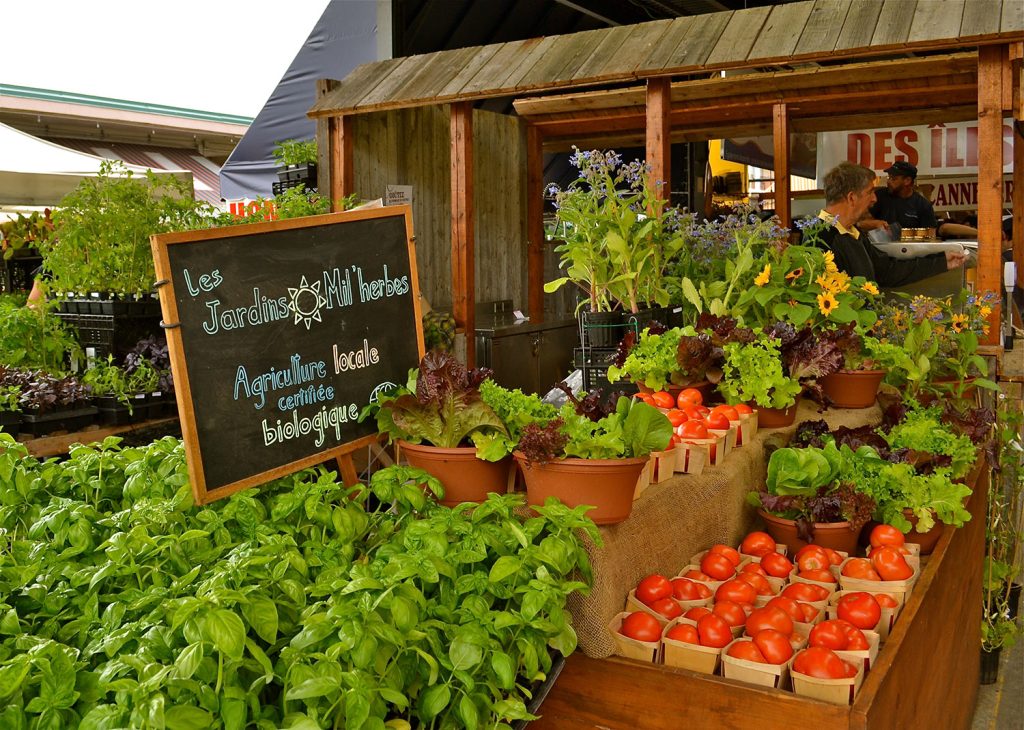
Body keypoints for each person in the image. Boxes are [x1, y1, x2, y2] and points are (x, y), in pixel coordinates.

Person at [812, 162, 966, 287]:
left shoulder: (853, 232)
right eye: (870, 192)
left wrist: (941, 261)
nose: (874, 199)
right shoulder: (820, 238)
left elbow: (886, 270)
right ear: (852, 197)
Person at [858, 160, 977, 240]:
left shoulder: (922, 205)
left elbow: (930, 234)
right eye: (889, 177)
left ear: (907, 181)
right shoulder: (880, 195)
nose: (888, 181)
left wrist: (902, 234)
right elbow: (859, 222)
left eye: (893, 178)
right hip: (877, 251)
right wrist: (874, 224)